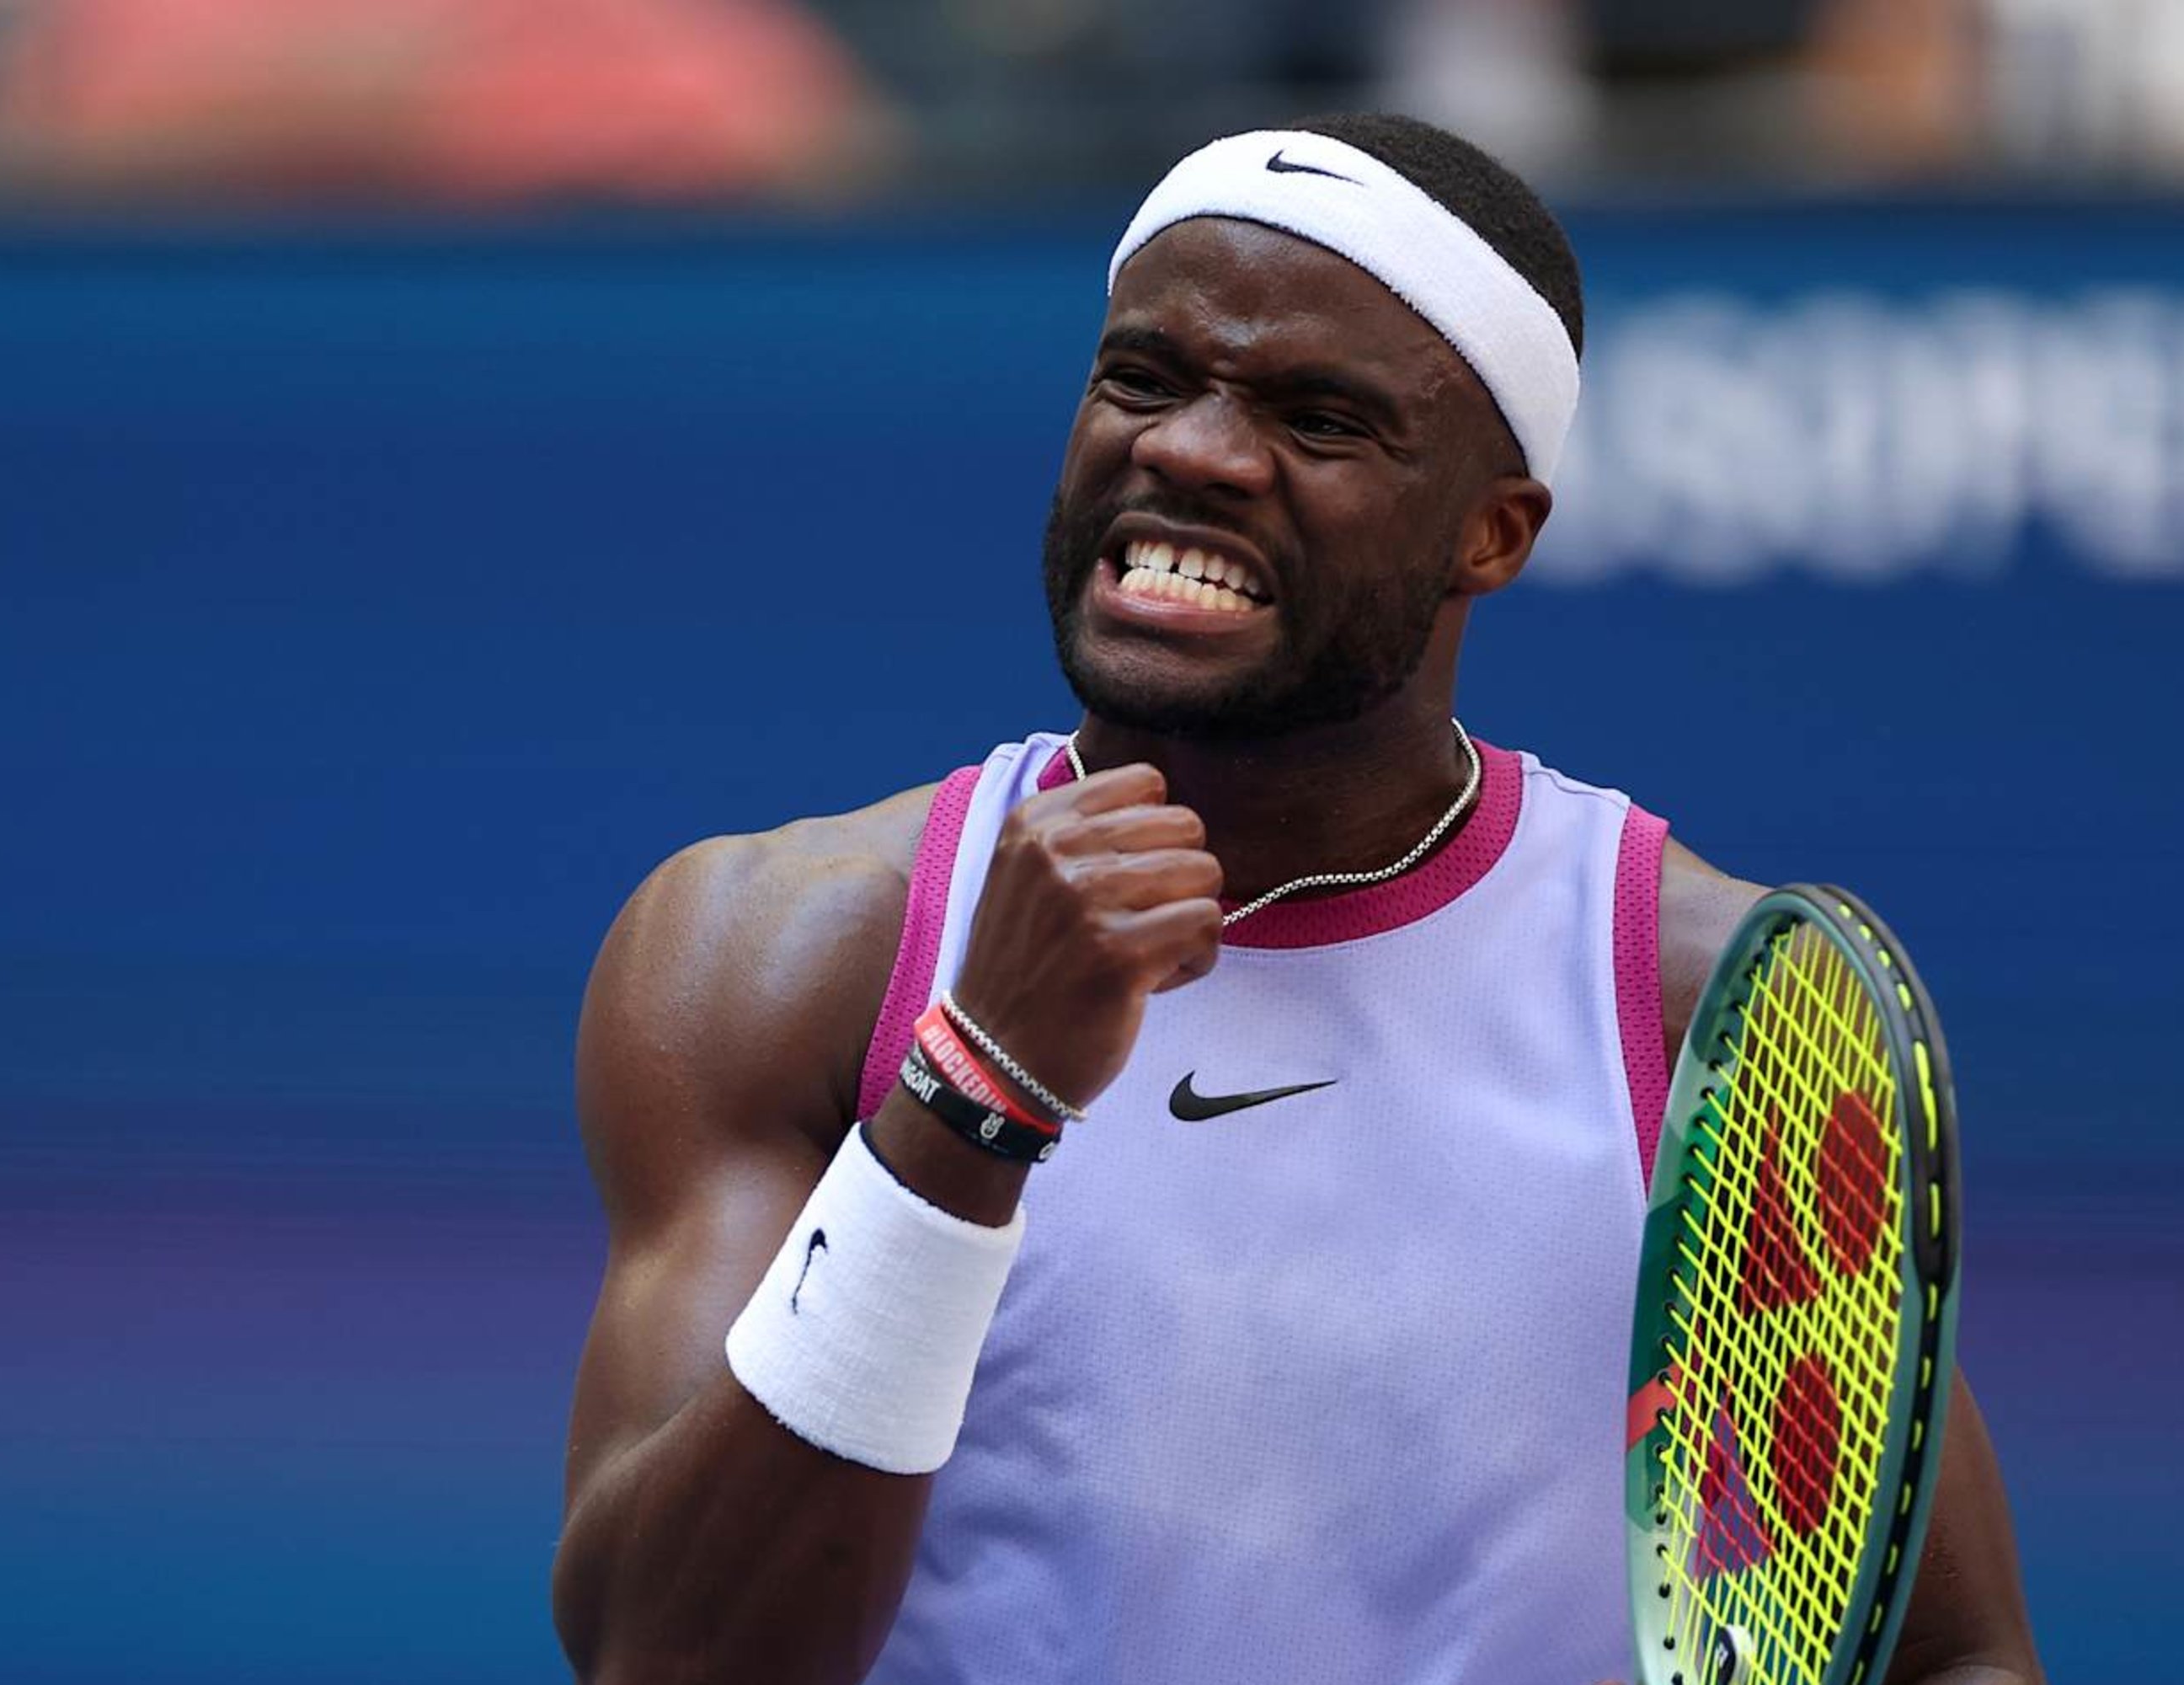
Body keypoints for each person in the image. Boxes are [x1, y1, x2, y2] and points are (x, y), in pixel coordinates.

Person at [551, 113, 2042, 1685]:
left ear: (1493, 533)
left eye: (1319, 418)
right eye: (1142, 377)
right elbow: (667, 1657)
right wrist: (967, 1100)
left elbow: (1955, 1655)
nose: (1190, 449)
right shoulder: (781, 951)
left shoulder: (1709, 1011)